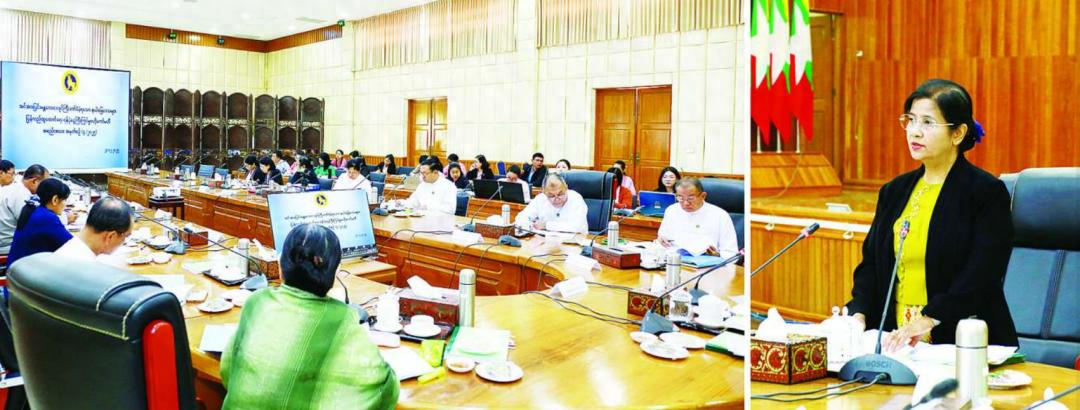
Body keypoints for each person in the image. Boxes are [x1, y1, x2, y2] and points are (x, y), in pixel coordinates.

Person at [847, 79, 1018, 351]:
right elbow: (871, 265)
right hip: (896, 340)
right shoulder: (894, 191)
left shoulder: (985, 192)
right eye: (911, 120)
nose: (914, 132)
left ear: (958, 133)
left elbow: (983, 272)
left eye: (927, 123)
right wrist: (858, 314)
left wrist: (930, 318)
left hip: (962, 338)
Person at [220, 224, 399, 409]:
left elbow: (228, 371)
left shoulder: (257, 302)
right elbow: (384, 389)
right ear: (336, 271)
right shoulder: (344, 319)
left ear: (280, 267)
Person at [657, 178, 738, 259]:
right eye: (681, 198)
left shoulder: (720, 215)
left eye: (690, 198)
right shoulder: (671, 210)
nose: (686, 203)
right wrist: (662, 240)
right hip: (674, 259)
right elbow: (662, 237)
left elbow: (731, 253)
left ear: (703, 196)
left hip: (707, 262)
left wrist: (717, 255)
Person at [6, 178, 73, 266]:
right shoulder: (46, 217)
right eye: (65, 200)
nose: (65, 204)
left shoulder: (33, 208)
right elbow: (70, 245)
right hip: (27, 270)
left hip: (18, 267)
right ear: (55, 199)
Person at [55, 196, 133, 260]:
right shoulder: (88, 267)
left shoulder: (70, 249)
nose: (124, 241)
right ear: (111, 236)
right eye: (126, 236)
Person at [514, 173, 589, 234]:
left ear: (566, 187)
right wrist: (529, 225)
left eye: (560, 194)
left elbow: (577, 227)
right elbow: (521, 218)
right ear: (544, 192)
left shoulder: (576, 198)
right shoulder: (540, 198)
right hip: (546, 242)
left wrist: (546, 225)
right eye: (551, 196)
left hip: (574, 243)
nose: (557, 198)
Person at [0, 164, 50, 254]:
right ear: (34, 181)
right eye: (45, 184)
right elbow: (33, 224)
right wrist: (65, 218)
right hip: (7, 246)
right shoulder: (21, 194)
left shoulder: (12, 188)